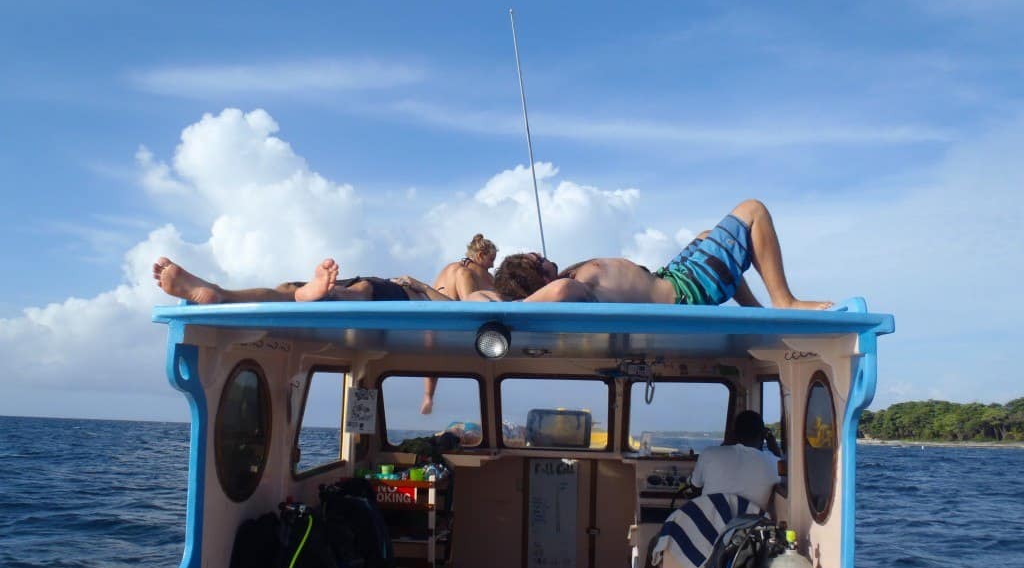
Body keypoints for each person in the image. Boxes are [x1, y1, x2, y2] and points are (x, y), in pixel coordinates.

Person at [487, 199, 831, 309]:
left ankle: (754, 310)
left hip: (672, 277)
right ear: (537, 279)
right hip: (685, 292)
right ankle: (785, 301)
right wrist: (518, 305)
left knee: (707, 236)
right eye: (534, 261)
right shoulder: (570, 289)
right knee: (753, 211)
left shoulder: (573, 279)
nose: (539, 254)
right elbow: (560, 291)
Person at [627, 409, 781, 568]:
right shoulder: (772, 462)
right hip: (743, 543)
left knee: (653, 546)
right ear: (762, 435)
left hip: (706, 537)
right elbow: (782, 465)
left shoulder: (710, 454)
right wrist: (772, 445)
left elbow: (695, 488)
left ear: (732, 434)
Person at [152, 256, 450, 304]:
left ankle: (319, 293)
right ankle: (220, 293)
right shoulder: (457, 274)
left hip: (403, 293)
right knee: (287, 291)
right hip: (385, 286)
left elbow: (457, 307)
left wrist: (422, 286)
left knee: (363, 290)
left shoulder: (452, 282)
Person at [421, 234, 498, 414]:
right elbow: (469, 305)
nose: (493, 265)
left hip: (433, 321)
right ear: (480, 256)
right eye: (491, 259)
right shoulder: (465, 273)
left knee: (432, 355)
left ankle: (428, 396)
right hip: (447, 320)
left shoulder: (452, 268)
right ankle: (428, 397)